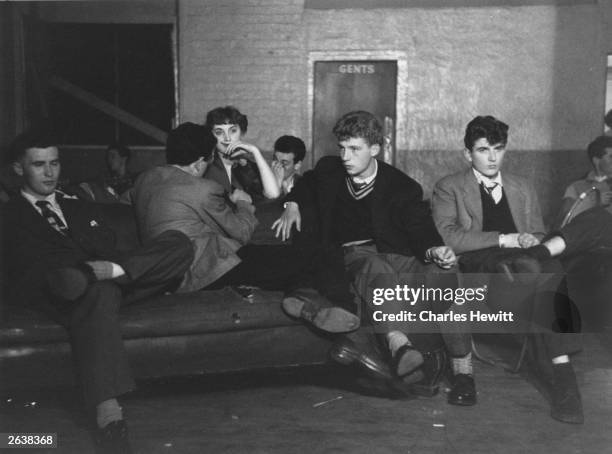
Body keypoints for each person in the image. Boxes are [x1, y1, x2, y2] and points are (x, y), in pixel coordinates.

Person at [2, 127, 194, 453]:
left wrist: (103, 269)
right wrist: (87, 265)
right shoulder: (8, 216)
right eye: (39, 165)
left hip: (105, 277)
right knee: (93, 289)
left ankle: (103, 274)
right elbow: (30, 264)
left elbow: (108, 242)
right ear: (20, 168)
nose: (50, 172)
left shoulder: (77, 203)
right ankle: (110, 416)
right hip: (55, 288)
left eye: (55, 163)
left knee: (179, 243)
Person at [271, 111, 470, 401]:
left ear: (375, 150)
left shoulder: (402, 186)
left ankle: (464, 374)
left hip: (397, 251)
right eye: (342, 147)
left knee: (447, 276)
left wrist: (435, 250)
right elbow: (306, 184)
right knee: (376, 268)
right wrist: (291, 203)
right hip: (354, 254)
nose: (346, 156)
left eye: (355, 149)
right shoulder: (329, 170)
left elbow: (420, 227)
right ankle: (399, 344)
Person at [132, 122, 359, 333]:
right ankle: (348, 313)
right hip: (207, 269)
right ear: (199, 162)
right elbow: (241, 232)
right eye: (209, 161)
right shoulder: (201, 189)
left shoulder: (144, 180)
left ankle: (300, 301)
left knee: (287, 262)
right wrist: (244, 203)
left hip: (170, 271)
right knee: (321, 253)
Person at [432, 115, 583, 424]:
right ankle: (565, 378)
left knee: (548, 264)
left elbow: (539, 235)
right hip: (479, 266)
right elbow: (449, 237)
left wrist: (530, 239)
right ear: (467, 154)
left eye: (498, 149)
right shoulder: (449, 187)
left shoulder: (522, 187)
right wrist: (506, 239)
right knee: (542, 270)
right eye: (483, 149)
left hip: (521, 268)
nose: (491, 158)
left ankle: (565, 378)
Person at [203, 106, 280, 200]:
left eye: (233, 131)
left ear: (242, 132)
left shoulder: (247, 166)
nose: (227, 138)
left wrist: (256, 152)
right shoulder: (205, 165)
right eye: (219, 132)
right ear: (211, 135)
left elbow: (273, 194)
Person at [556, 135, 612, 225]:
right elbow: (565, 218)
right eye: (611, 157)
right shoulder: (576, 187)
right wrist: (592, 203)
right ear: (596, 160)